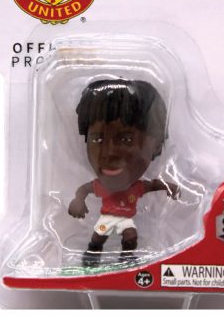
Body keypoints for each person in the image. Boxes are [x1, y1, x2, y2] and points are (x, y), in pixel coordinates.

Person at [68, 79, 180, 267]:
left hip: (124, 219)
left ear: (156, 144)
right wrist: (78, 200)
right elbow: (84, 190)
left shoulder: (136, 187)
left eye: (126, 139)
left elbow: (153, 185)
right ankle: (92, 254)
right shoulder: (101, 186)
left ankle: (126, 257)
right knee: (98, 236)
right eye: (97, 139)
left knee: (130, 236)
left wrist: (169, 186)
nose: (110, 152)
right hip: (107, 217)